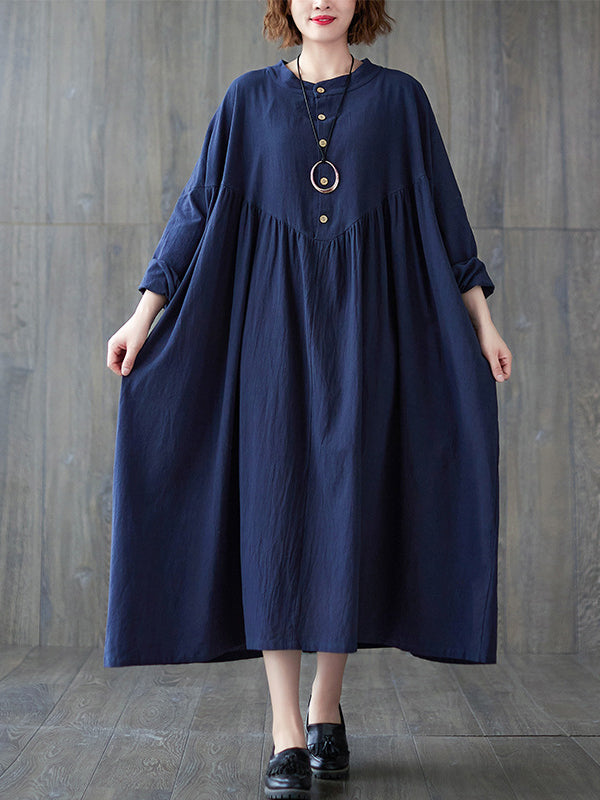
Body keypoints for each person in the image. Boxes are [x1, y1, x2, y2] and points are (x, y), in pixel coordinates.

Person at [105, 0, 512, 797]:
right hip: (267, 340)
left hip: (367, 339)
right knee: (274, 519)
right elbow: (198, 209)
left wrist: (484, 324)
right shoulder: (246, 101)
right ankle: (286, 726)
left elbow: (445, 214)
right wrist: (142, 314)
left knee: (344, 516)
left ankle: (328, 705)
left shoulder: (400, 101)